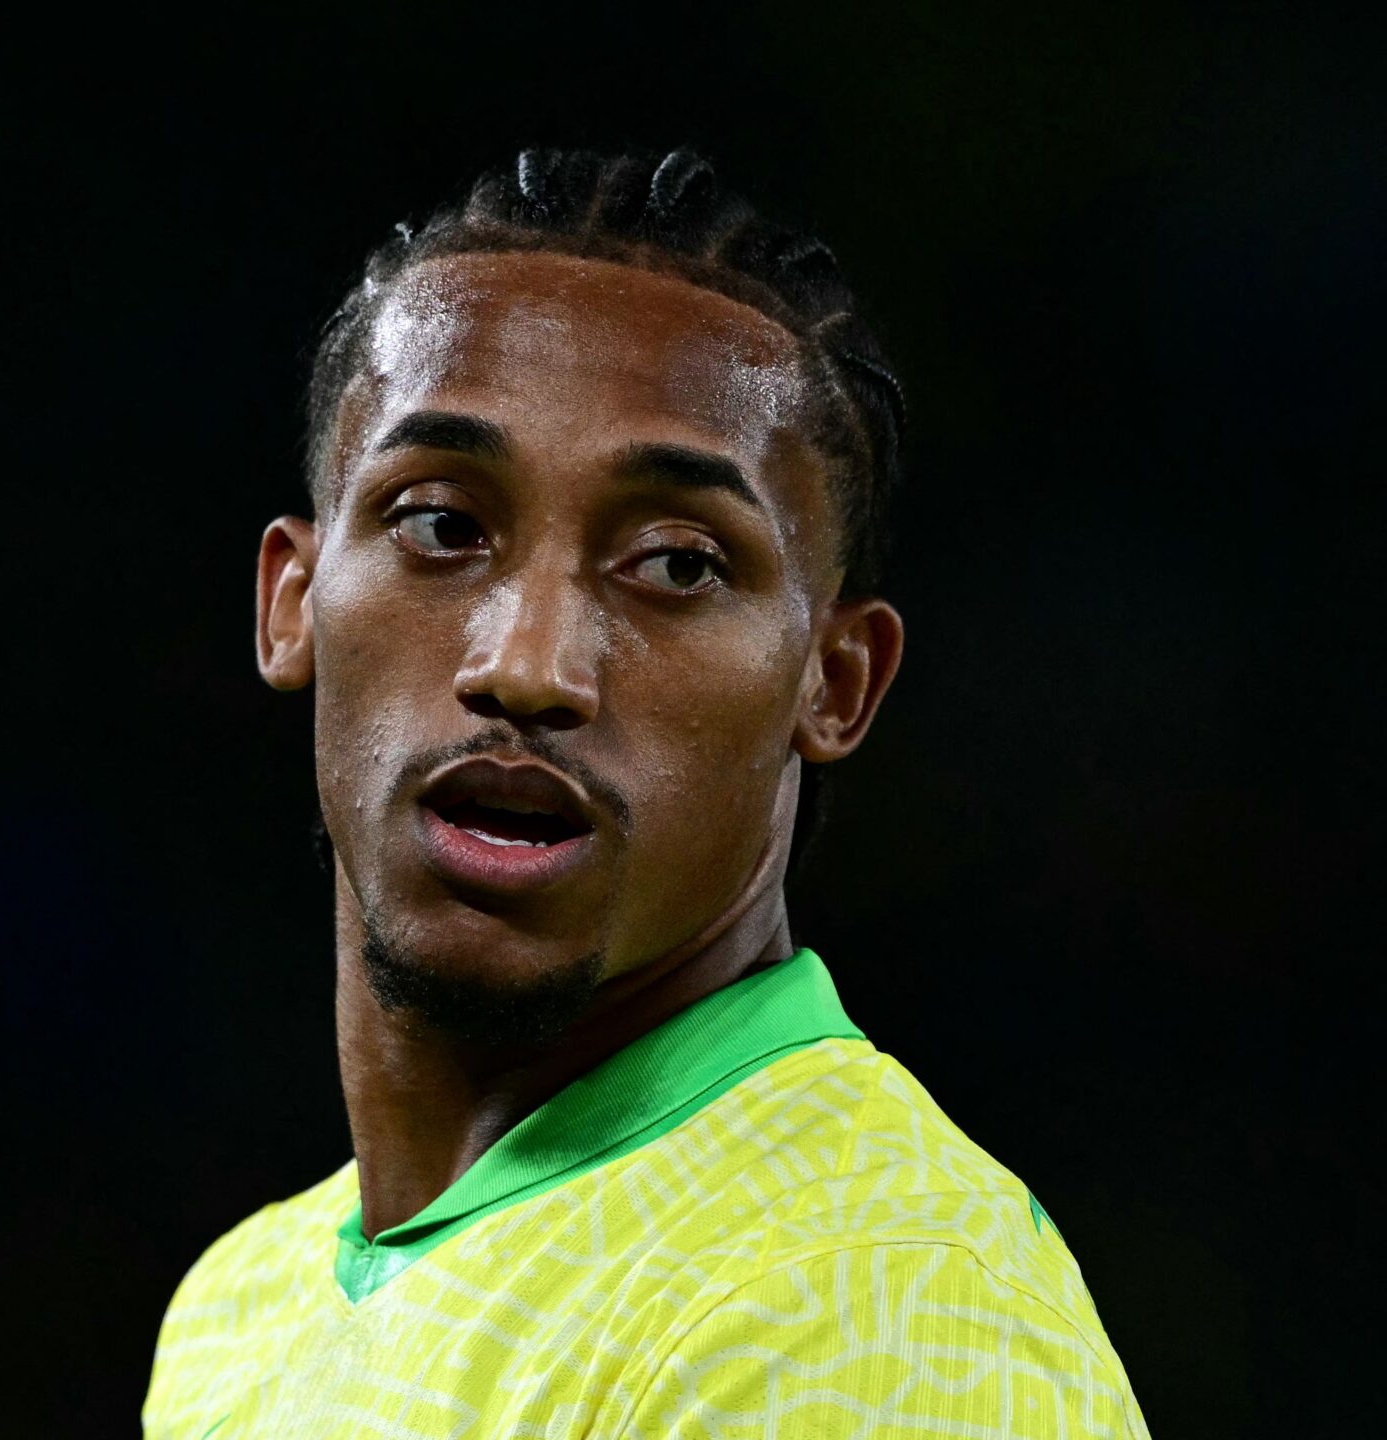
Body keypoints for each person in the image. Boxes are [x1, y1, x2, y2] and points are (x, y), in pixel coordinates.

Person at [142, 148, 1148, 1438]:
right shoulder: (239, 1305)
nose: (527, 665)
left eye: (676, 564)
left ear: (835, 682)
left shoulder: (869, 1308)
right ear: (291, 602)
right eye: (441, 524)